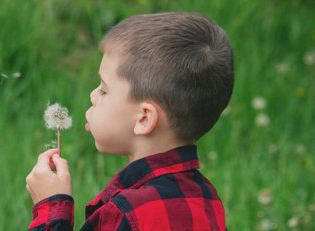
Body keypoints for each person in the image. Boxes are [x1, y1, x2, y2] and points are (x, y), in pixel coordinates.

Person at [26, 12, 233, 230]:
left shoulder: (124, 216)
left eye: (104, 89)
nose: (92, 96)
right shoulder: (208, 200)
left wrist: (51, 207)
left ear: (144, 118)